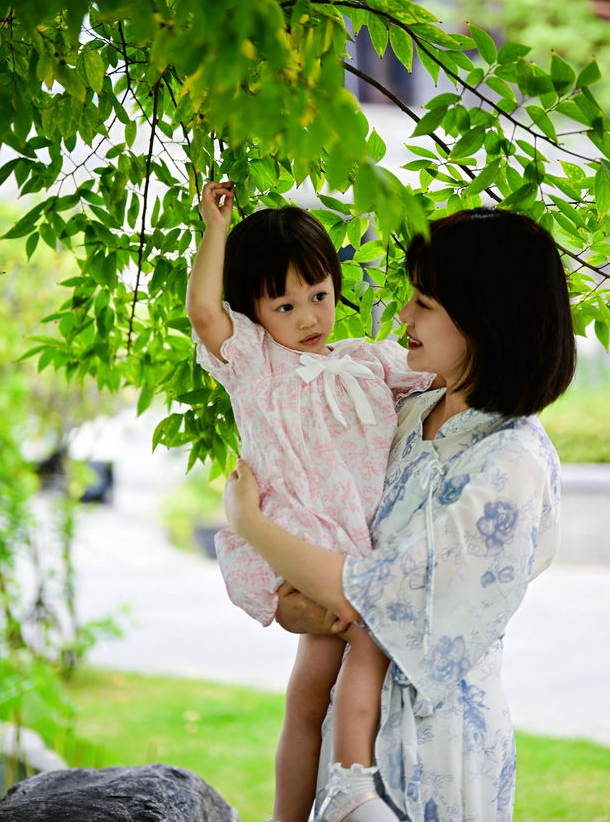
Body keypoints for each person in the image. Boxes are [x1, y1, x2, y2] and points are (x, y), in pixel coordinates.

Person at [222, 206, 577, 822]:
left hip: (434, 752)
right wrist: (282, 596)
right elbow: (331, 518)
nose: (404, 316)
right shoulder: (410, 414)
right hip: (351, 737)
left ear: (483, 320)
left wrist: (250, 524)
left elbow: (380, 594)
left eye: (424, 303)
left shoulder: (510, 464)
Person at [185, 181, 436, 822]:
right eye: (285, 305)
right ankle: (297, 813)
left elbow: (444, 371)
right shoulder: (255, 366)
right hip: (305, 545)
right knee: (307, 699)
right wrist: (215, 230)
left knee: (343, 680)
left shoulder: (364, 362)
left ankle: (352, 788)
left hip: (366, 551)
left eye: (319, 296)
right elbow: (204, 315)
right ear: (254, 312)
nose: (307, 318)